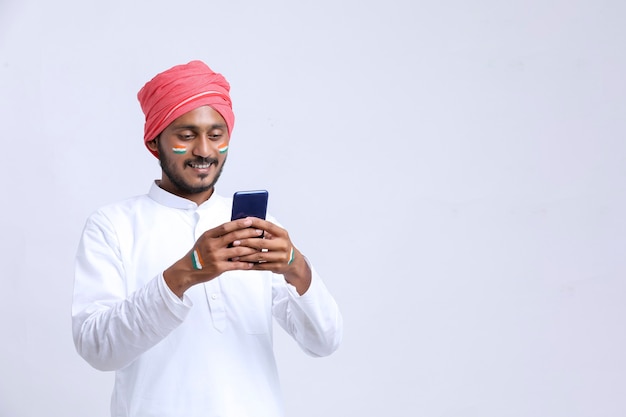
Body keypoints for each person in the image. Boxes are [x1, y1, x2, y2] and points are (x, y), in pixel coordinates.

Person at [71, 60, 343, 417]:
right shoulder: (112, 225)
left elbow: (323, 343)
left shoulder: (256, 227)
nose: (203, 150)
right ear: (154, 141)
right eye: (186, 135)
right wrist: (186, 272)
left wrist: (298, 269)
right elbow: (97, 349)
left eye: (216, 135)